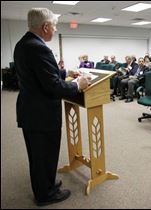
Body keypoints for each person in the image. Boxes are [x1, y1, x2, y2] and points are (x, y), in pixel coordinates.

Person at [13, 8, 91, 206]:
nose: (55, 30)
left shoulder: (24, 43)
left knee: (41, 155)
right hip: (41, 114)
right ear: (45, 26)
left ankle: (47, 184)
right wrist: (77, 84)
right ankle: (45, 194)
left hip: (31, 110)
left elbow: (40, 73)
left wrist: (64, 71)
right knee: (43, 156)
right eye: (54, 26)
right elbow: (53, 86)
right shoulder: (39, 48)